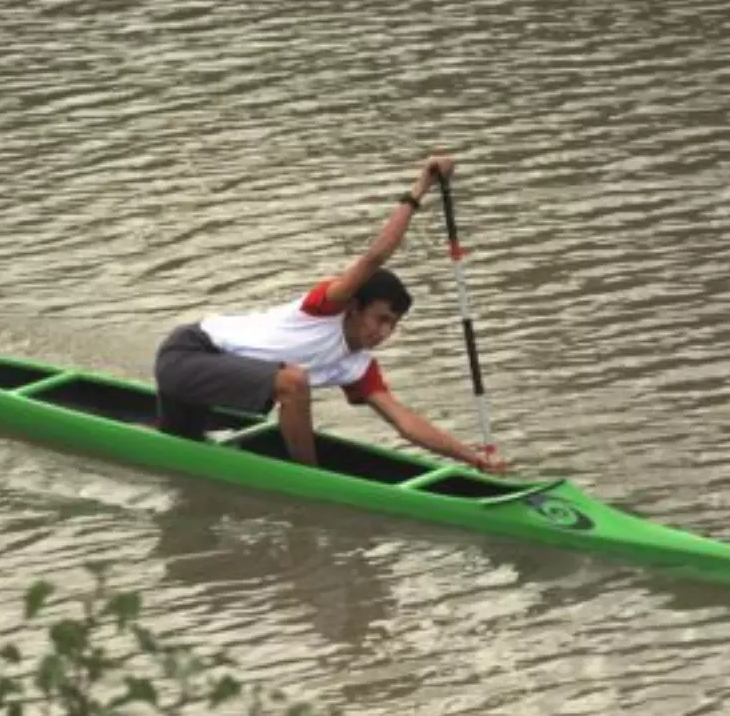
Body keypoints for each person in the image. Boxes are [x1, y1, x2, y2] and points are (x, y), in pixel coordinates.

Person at [153, 154, 508, 475]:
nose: (383, 333)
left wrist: (472, 457)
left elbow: (406, 424)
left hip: (209, 391)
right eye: (380, 319)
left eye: (393, 325)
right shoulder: (328, 306)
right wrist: (422, 185)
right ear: (354, 308)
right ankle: (309, 478)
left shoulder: (359, 367)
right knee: (294, 382)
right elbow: (374, 259)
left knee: (179, 446)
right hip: (186, 356)